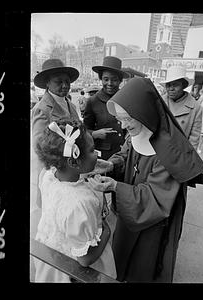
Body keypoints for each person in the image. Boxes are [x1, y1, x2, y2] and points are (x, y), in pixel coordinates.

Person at [87, 77, 203, 283]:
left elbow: (157, 198)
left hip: (152, 222)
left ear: (143, 112)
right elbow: (126, 154)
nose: (123, 126)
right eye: (120, 119)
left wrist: (116, 186)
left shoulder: (170, 150)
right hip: (131, 210)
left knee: (143, 266)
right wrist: (111, 165)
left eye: (127, 119)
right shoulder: (139, 129)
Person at [33, 118, 116, 282]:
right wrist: (106, 229)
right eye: (93, 150)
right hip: (73, 271)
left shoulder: (48, 175)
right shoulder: (79, 203)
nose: (96, 153)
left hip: (50, 256)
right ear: (73, 162)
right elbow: (84, 259)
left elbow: (77, 168)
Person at [31, 58, 80, 232]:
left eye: (67, 81)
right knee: (53, 213)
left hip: (70, 168)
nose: (65, 86)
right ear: (47, 84)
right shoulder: (42, 109)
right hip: (53, 171)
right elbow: (39, 146)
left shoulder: (71, 105)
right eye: (59, 82)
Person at [83, 56, 129, 160]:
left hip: (126, 153)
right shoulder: (93, 101)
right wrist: (94, 134)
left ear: (120, 80)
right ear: (101, 79)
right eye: (106, 79)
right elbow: (84, 131)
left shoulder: (126, 98)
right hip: (105, 156)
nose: (110, 83)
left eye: (114, 80)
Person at [160, 66, 203, 150]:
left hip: (179, 153)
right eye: (168, 85)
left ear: (183, 85)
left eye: (175, 85)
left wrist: (187, 159)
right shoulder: (160, 101)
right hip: (158, 151)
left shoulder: (195, 108)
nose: (171, 88)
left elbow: (194, 139)